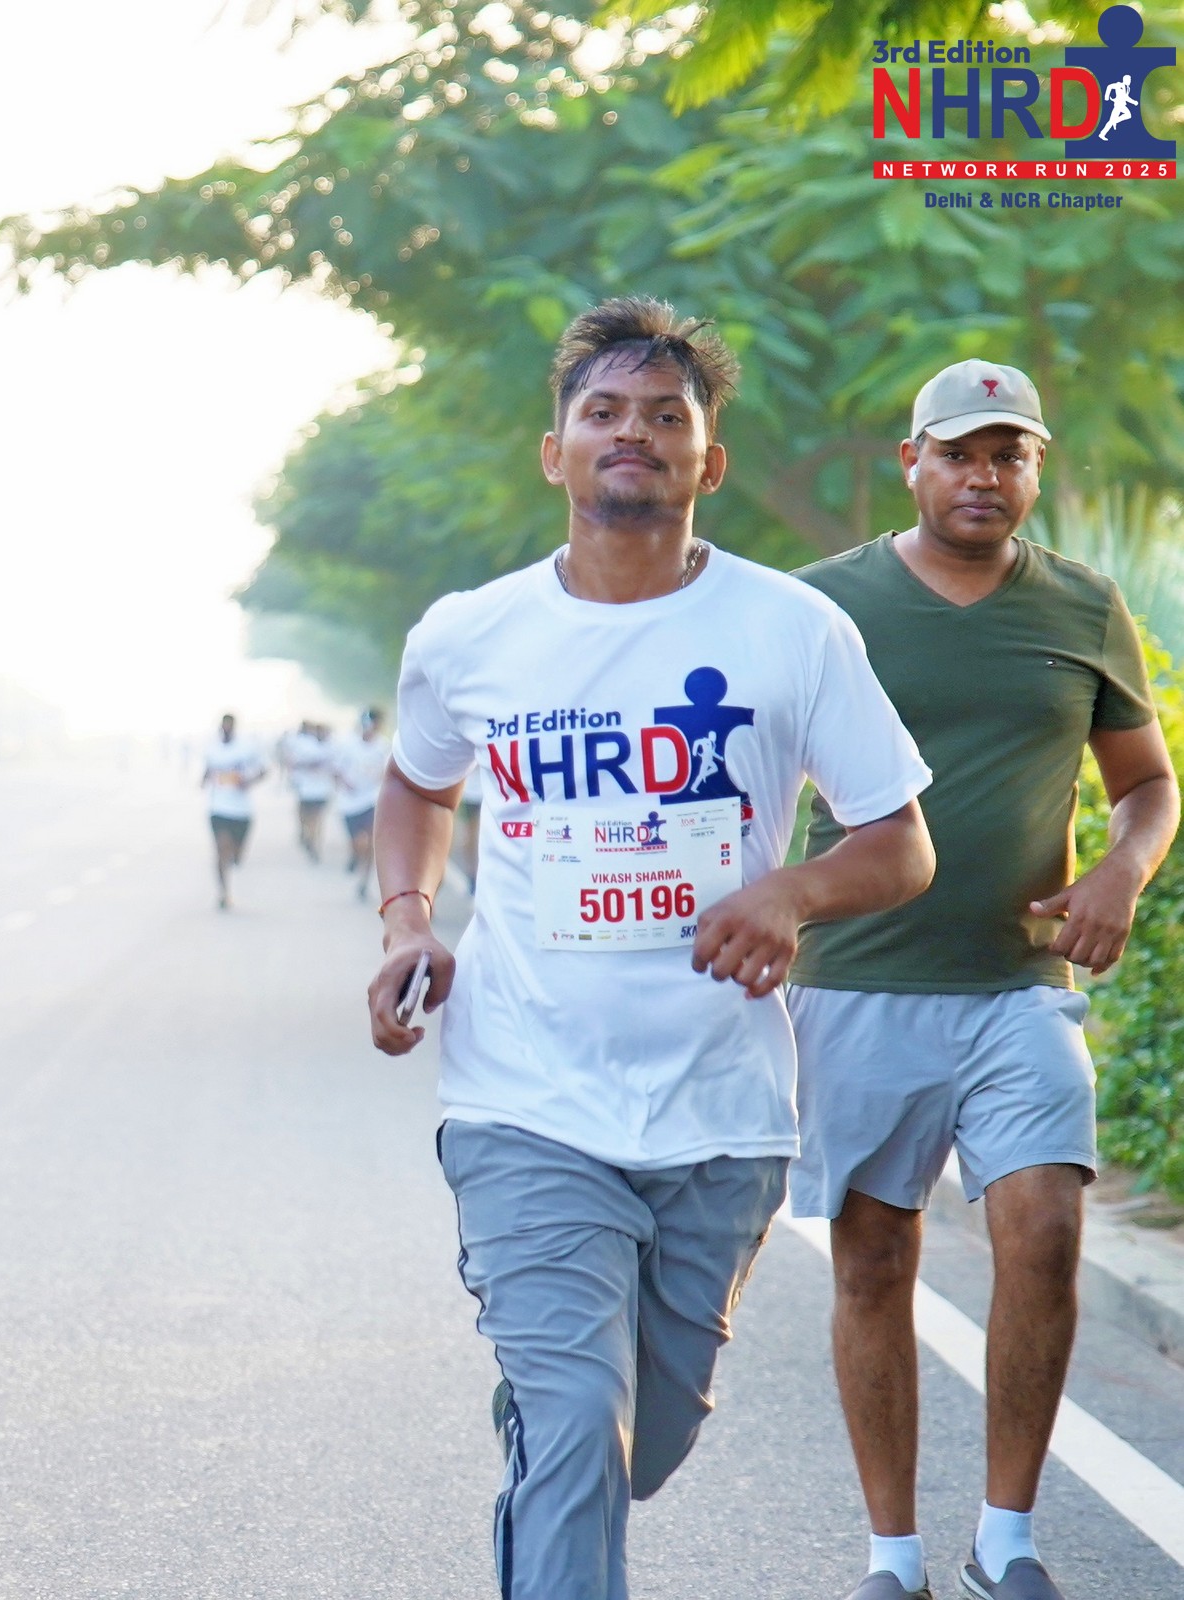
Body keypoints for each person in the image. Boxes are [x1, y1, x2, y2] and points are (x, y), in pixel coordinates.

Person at [365, 297, 938, 1600]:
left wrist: (790, 894)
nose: (633, 432)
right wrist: (407, 918)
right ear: (554, 451)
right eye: (603, 411)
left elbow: (900, 844)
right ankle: (556, 1422)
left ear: (707, 461)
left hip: (719, 1114)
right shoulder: (469, 635)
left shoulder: (791, 629)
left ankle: (557, 1429)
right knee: (580, 1419)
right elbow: (416, 784)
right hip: (523, 1099)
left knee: (640, 1437)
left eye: (665, 416)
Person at [790, 361, 1178, 1600]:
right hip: (857, 981)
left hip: (1019, 986)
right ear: (912, 462)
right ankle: (892, 1556)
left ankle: (1005, 1540)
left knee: (1046, 1228)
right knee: (872, 1260)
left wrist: (1121, 870)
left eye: (1008, 455)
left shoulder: (1083, 604)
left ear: (1034, 470)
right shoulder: (825, 605)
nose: (983, 476)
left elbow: (1147, 784)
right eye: (959, 452)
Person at [202, 712, 266, 909]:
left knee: (236, 855)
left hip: (241, 810)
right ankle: (223, 892)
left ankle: (235, 857)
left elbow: (263, 770)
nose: (226, 730)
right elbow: (208, 771)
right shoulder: (212, 748)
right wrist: (204, 780)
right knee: (221, 850)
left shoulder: (247, 748)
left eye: (229, 726)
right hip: (218, 808)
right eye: (223, 726)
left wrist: (248, 781)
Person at [334, 707, 389, 899]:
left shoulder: (384, 746)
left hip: (372, 799)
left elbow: (389, 771)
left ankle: (364, 882)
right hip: (350, 802)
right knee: (358, 842)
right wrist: (345, 783)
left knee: (370, 842)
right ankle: (355, 855)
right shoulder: (348, 745)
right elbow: (337, 770)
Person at [283, 719, 337, 861]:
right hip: (306, 789)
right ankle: (307, 835)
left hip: (322, 790)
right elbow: (292, 762)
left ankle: (315, 844)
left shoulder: (332, 747)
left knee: (318, 819)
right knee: (305, 817)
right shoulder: (305, 746)